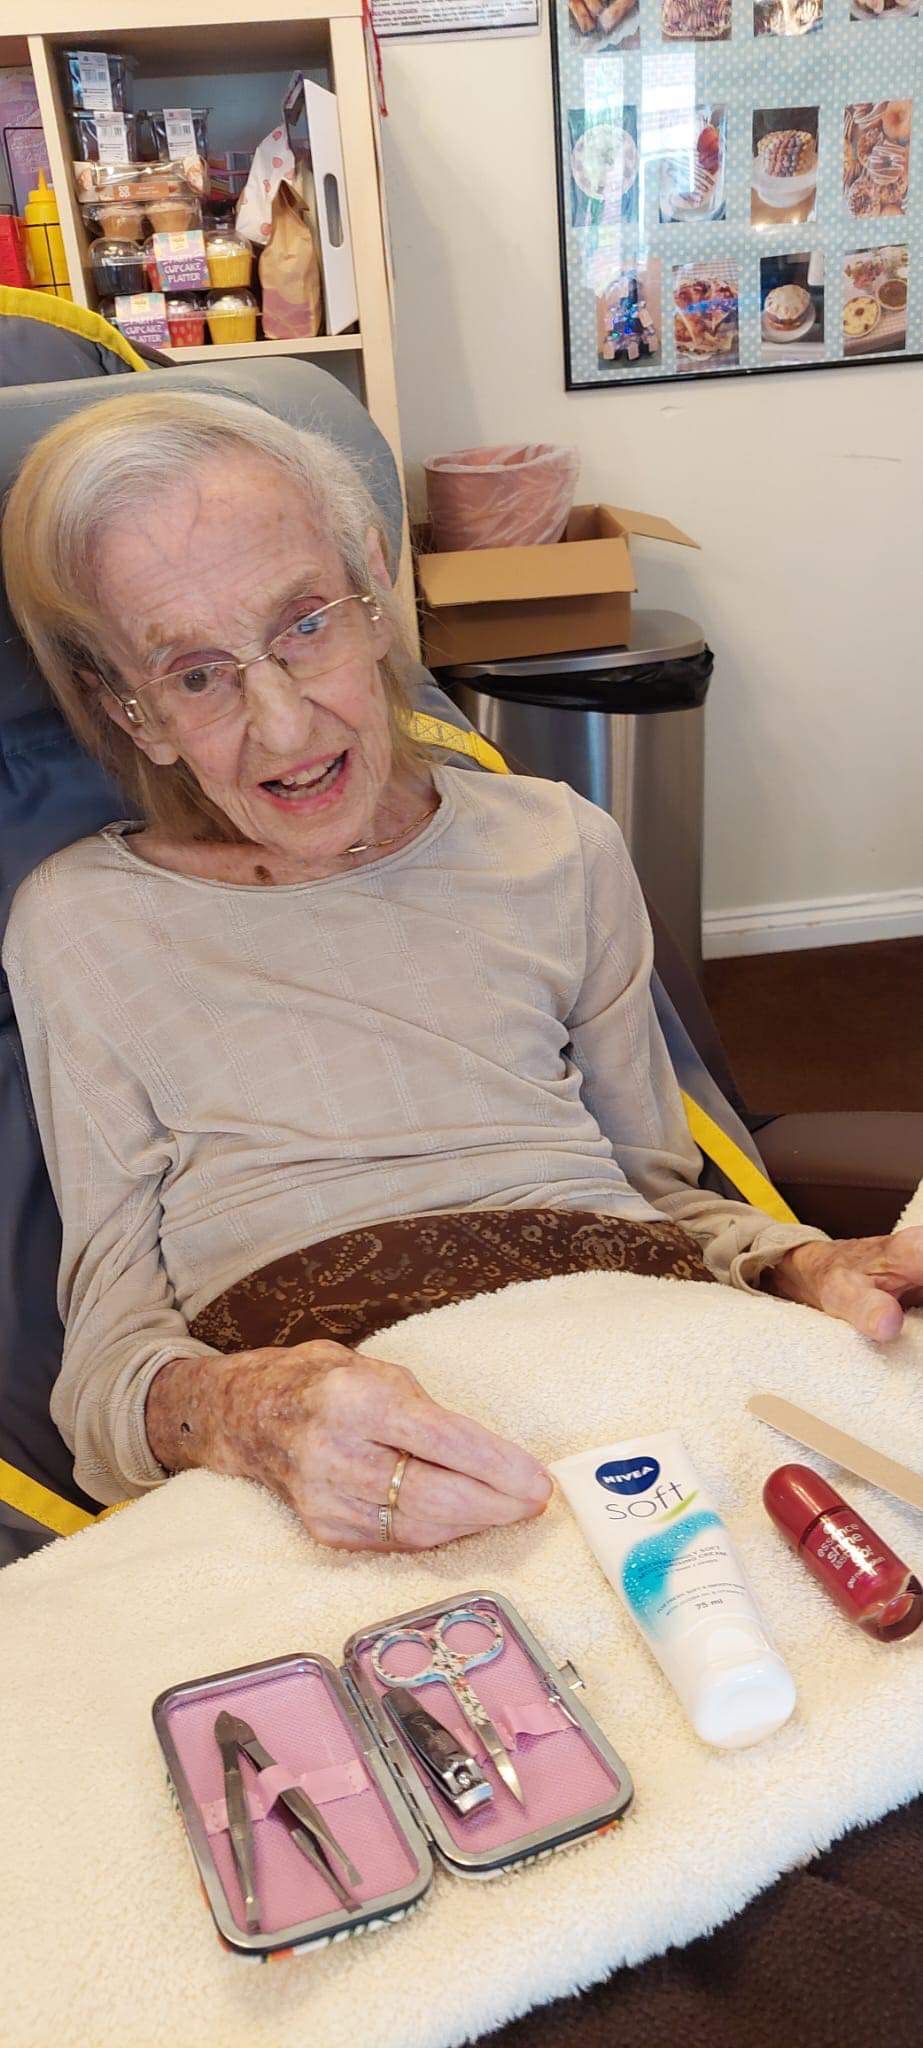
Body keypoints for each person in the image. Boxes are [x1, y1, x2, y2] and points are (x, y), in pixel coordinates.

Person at [3, 390, 920, 1554]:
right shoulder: (81, 921)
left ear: (374, 587)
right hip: (333, 1461)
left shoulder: (559, 843)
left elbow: (657, 1199)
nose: (282, 725)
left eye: (303, 624)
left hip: (634, 1360)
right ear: (129, 712)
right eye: (194, 674)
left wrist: (802, 1264)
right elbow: (106, 1371)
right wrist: (244, 1411)